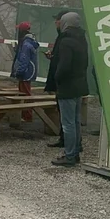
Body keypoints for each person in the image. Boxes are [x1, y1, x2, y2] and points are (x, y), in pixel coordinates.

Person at [51, 12, 89, 166]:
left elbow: (64, 65)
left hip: (67, 86)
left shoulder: (65, 41)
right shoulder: (82, 39)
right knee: (75, 121)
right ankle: (76, 150)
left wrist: (57, 78)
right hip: (79, 84)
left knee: (67, 124)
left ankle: (70, 155)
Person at [44, 9, 69, 148]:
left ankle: (69, 142)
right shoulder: (61, 37)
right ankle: (63, 138)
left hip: (64, 83)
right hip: (60, 81)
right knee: (62, 112)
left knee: (67, 116)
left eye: (58, 19)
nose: (55, 22)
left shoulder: (65, 38)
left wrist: (58, 77)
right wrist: (52, 57)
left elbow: (65, 62)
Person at [11, 22, 39, 122]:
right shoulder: (29, 42)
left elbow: (24, 60)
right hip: (28, 72)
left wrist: (19, 72)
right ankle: (25, 114)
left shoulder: (25, 44)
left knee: (25, 94)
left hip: (25, 72)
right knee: (24, 93)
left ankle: (27, 116)